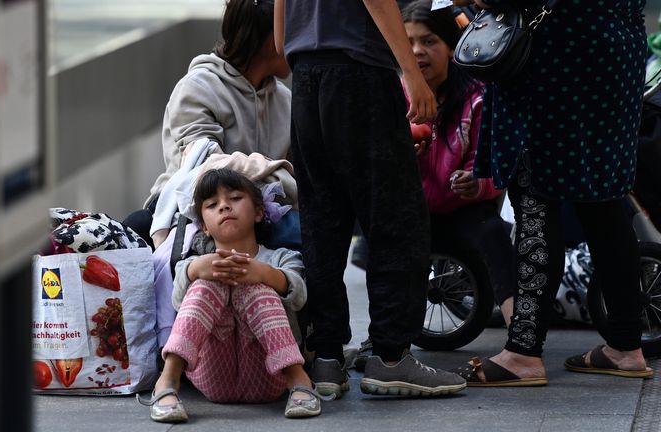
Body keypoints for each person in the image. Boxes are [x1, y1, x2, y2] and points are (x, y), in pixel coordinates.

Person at [454, 0, 654, 386]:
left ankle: (523, 352)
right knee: (604, 197)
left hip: (555, 53)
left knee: (536, 196)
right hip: (617, 47)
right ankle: (626, 346)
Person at [276, 0, 466, 397]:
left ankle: (326, 359)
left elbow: (280, 38)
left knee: (322, 223)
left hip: (307, 78)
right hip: (361, 73)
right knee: (395, 218)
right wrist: (411, 74)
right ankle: (392, 358)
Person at [352, 0, 517, 369]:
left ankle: (520, 333)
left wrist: (477, 183)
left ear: (452, 45)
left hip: (463, 210)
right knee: (388, 240)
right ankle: (379, 339)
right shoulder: (397, 95)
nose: (417, 52)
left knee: (492, 232)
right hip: (416, 209)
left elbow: (487, 161)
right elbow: (375, 164)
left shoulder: (477, 97)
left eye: (429, 42)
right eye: (408, 42)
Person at [143, 168, 322, 422]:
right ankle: (168, 381)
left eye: (235, 198)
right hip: (213, 376)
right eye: (213, 204)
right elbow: (177, 299)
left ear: (259, 212)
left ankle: (298, 379)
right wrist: (196, 269)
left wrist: (263, 274)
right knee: (208, 283)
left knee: (253, 284)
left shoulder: (281, 257)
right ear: (203, 226)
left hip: (271, 375)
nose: (224, 207)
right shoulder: (194, 263)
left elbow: (299, 295)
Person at [124, 0, 291, 248]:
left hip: (260, 218)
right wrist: (285, 177)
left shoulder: (286, 100)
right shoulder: (198, 88)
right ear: (271, 40)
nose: (301, 41)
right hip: (193, 215)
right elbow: (206, 171)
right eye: (294, 30)